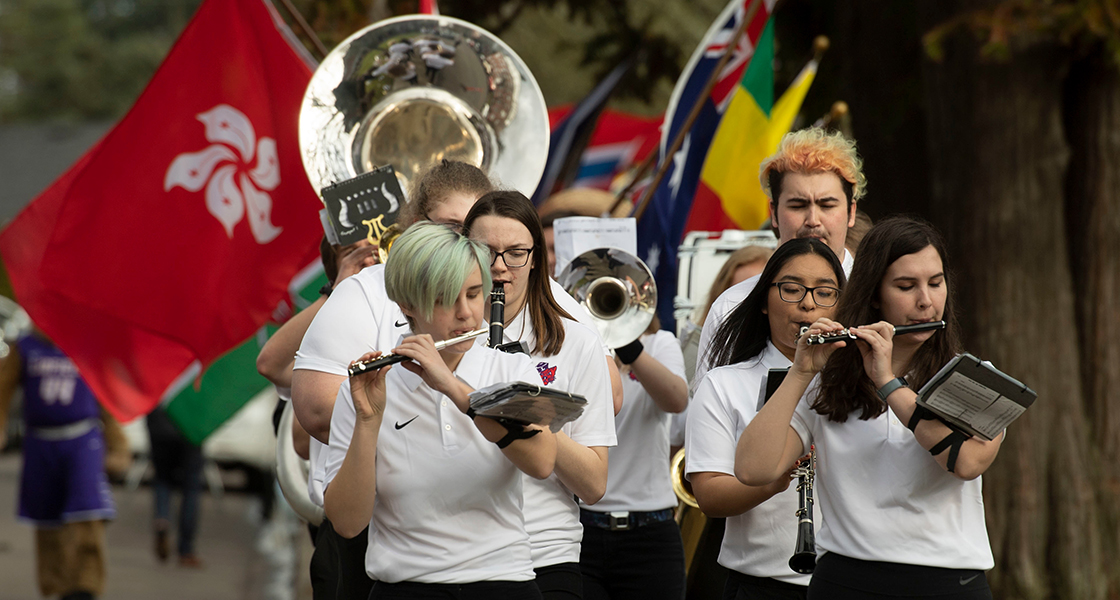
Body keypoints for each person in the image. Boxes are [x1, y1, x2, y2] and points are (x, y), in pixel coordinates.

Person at [735, 217, 1002, 599]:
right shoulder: (826, 384)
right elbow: (752, 469)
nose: (926, 301)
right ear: (874, 294)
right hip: (847, 580)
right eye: (906, 286)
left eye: (936, 282)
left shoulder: (976, 379)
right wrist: (800, 373)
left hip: (949, 582)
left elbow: (965, 463)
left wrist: (888, 383)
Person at [323, 222, 557, 598]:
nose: (467, 314)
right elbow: (348, 523)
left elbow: (542, 462)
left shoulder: (510, 369)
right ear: (408, 305)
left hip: (503, 583)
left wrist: (453, 388)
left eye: (475, 294)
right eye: (446, 298)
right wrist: (368, 421)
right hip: (407, 587)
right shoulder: (371, 385)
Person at [463, 190, 616, 599]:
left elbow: (594, 484)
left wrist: (525, 414)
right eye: (484, 251)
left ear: (535, 259)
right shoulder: (444, 337)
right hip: (459, 557)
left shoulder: (578, 342)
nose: (499, 269)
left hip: (544, 554)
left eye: (515, 253)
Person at [686, 238, 844, 599]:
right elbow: (709, 495)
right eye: (791, 290)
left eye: (824, 292)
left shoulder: (858, 382)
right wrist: (771, 483)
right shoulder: (724, 383)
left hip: (847, 582)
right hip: (761, 586)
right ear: (762, 301)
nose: (808, 303)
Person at [695, 128, 866, 389]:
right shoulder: (732, 306)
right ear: (774, 213)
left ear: (851, 211)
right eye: (797, 205)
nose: (813, 221)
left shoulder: (879, 298)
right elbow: (709, 409)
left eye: (827, 205)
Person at [256, 236, 376, 600]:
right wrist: (339, 289)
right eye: (353, 254)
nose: (369, 261)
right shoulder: (335, 321)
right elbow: (301, 435)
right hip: (344, 522)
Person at [578, 314, 689, 600]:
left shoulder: (659, 343)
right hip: (581, 530)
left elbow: (677, 400)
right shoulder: (575, 347)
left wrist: (630, 348)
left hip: (650, 536)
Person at [0, 329, 116, 600]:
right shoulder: (26, 346)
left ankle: (85, 586)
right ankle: (57, 586)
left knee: (87, 513)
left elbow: (106, 397)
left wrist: (117, 444)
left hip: (82, 438)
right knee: (47, 518)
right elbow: (4, 387)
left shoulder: (89, 343)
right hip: (41, 441)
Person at [145, 404, 204, 567]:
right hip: (191, 422)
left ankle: (162, 518)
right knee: (191, 487)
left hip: (158, 419)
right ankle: (186, 550)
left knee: (162, 478)